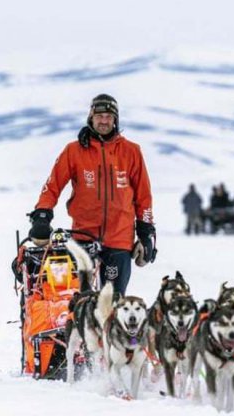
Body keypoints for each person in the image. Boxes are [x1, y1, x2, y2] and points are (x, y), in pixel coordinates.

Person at [28, 94, 155, 294]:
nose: (104, 121)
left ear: (115, 120)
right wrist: (42, 215)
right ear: (91, 117)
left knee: (112, 303)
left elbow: (143, 196)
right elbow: (52, 186)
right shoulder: (74, 151)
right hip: (82, 237)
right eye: (99, 116)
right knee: (79, 301)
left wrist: (146, 233)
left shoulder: (131, 151)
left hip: (119, 239)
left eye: (108, 116)